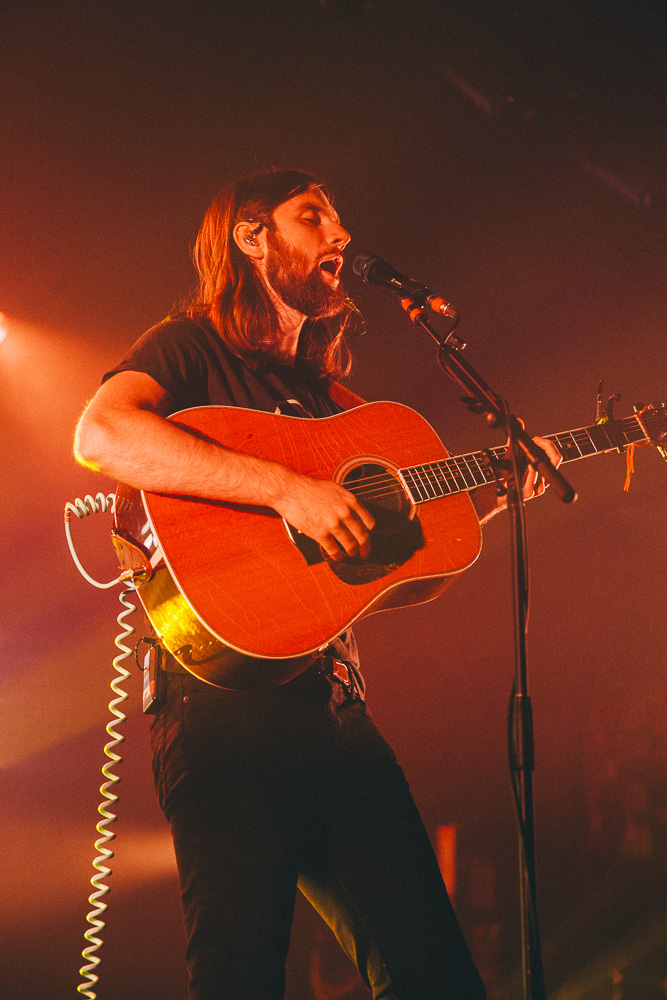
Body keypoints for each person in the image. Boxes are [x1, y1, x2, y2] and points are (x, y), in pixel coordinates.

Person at [74, 168, 560, 1000]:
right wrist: (285, 488)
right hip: (219, 709)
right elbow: (102, 432)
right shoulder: (188, 347)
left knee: (436, 978)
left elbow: (375, 557)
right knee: (239, 979)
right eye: (313, 217)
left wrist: (492, 490)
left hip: (335, 712)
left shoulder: (331, 399)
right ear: (251, 236)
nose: (339, 235)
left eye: (339, 221)